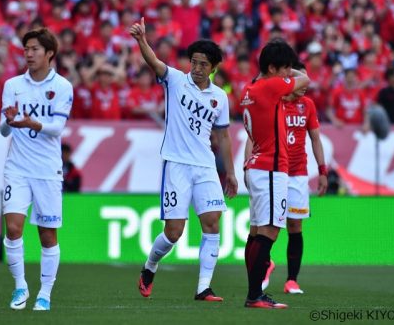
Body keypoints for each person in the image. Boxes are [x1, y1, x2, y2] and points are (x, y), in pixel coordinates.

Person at [130, 18, 238, 301]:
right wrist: (142, 40)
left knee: (213, 222)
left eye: (203, 64)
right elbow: (154, 62)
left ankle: (203, 287)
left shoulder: (219, 98)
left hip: (205, 165)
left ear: (213, 68)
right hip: (176, 164)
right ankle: (150, 265)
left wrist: (231, 172)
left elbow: (224, 137)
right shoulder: (176, 80)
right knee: (174, 232)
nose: (197, 68)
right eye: (194, 62)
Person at [0, 28, 73, 311]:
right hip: (17, 168)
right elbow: (4, 129)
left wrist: (34, 124)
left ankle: (45, 293)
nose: (28, 54)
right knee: (14, 228)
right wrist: (9, 121)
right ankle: (20, 288)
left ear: (49, 53)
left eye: (34, 49)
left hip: (47, 170)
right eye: (26, 49)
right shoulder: (13, 84)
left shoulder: (63, 86)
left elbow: (57, 128)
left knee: (47, 235)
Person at [242, 39, 309, 309]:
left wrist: (281, 68)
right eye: (284, 68)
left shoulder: (250, 89)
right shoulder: (271, 86)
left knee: (257, 231)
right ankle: (255, 295)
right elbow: (305, 80)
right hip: (271, 168)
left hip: (259, 165)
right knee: (269, 232)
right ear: (271, 68)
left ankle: (255, 292)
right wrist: (291, 72)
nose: (288, 73)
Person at [261, 62, 328, 295]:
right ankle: (265, 263)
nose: (305, 86)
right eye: (301, 80)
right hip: (275, 170)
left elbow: (316, 140)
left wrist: (322, 170)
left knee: (295, 225)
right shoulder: (275, 102)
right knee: (270, 225)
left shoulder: (308, 105)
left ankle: (292, 280)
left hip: (298, 173)